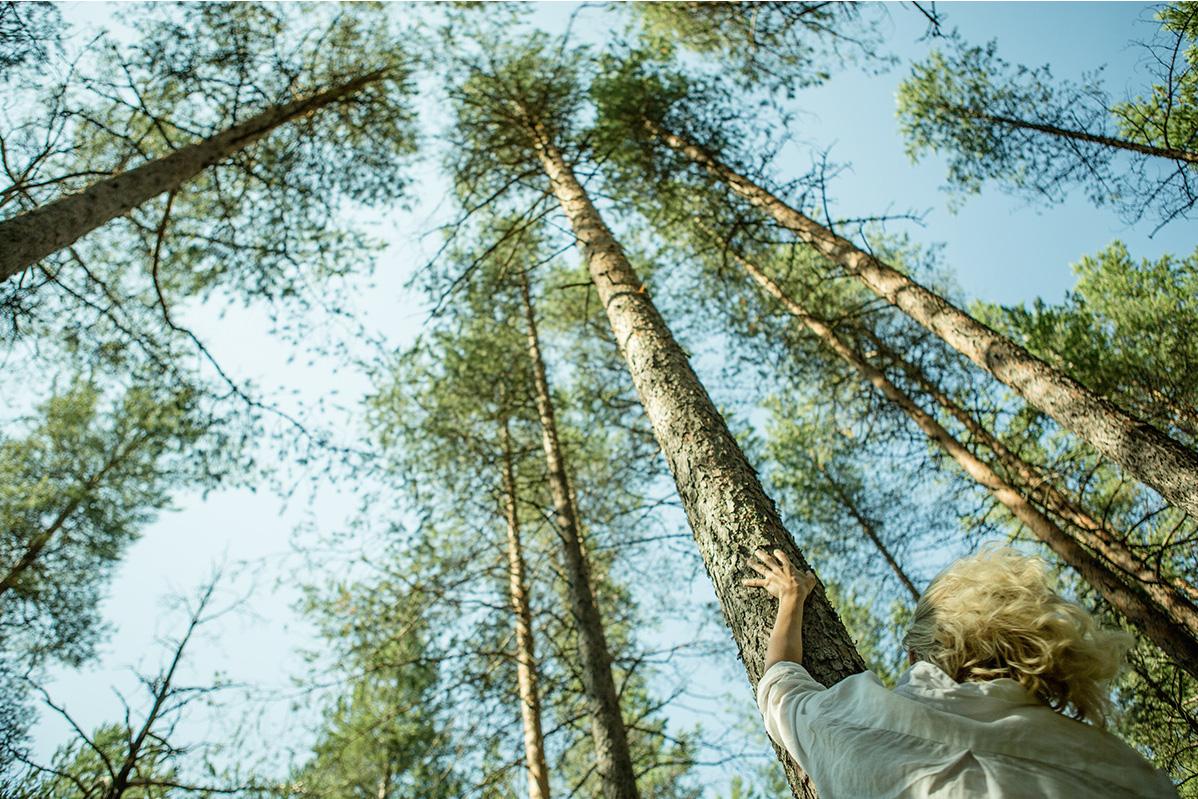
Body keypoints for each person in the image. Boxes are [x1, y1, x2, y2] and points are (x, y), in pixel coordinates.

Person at [743, 545, 1179, 798]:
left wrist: (790, 598)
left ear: (924, 655)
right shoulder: (1122, 762)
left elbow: (782, 689)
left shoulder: (878, 722)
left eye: (909, 653)